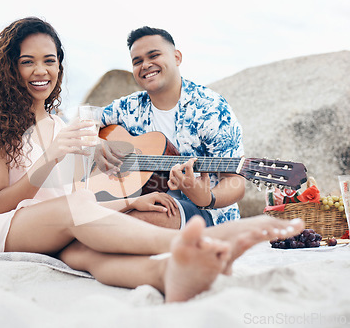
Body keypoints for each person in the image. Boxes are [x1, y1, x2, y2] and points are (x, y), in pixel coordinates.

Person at [0, 17, 305, 302]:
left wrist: (131, 201)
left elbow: (77, 190)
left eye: (50, 60)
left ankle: (165, 274)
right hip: (3, 225)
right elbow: (2, 202)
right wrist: (54, 156)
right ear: (10, 67)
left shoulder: (56, 122)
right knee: (79, 213)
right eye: (28, 61)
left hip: (50, 225)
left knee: (88, 256)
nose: (41, 71)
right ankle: (193, 243)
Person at [96, 26, 245, 230]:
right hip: (142, 203)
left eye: (154, 55)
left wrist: (207, 197)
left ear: (177, 57)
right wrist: (95, 144)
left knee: (127, 221)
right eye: (137, 61)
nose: (145, 65)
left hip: (209, 217)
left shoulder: (211, 109)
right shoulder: (127, 107)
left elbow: (235, 182)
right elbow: (82, 122)